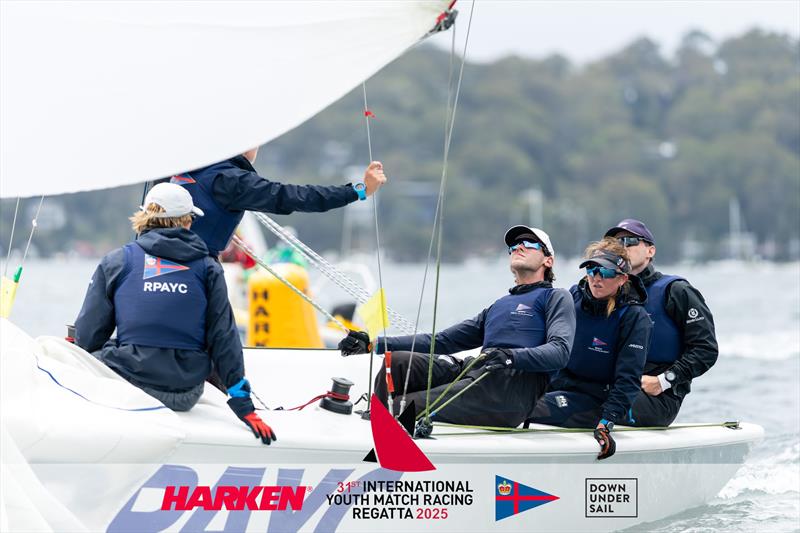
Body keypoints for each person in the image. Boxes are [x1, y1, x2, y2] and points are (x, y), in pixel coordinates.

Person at [74, 183, 276, 445]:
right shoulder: (208, 267)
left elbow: (88, 335)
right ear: (187, 221)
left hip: (128, 382)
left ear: (144, 217)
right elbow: (224, 337)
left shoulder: (117, 261)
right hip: (185, 393)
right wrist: (244, 406)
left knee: (79, 351)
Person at [340, 225, 575, 428]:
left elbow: (560, 352)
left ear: (548, 260)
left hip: (507, 393)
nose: (518, 248)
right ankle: (377, 435)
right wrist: (373, 344)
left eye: (529, 243)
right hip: (477, 374)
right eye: (513, 246)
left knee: (401, 405)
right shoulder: (499, 305)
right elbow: (442, 341)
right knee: (398, 362)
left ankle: (388, 427)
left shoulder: (555, 297)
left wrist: (510, 357)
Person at [531, 239, 651, 460]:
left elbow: (628, 379)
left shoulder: (634, 317)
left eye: (604, 271)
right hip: (557, 385)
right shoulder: (571, 298)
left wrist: (607, 422)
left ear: (623, 278)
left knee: (528, 408)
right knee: (506, 397)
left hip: (595, 399)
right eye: (591, 269)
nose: (596, 277)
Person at [168, 147, 387, 256]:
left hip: (149, 261)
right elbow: (291, 197)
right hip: (194, 267)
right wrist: (359, 191)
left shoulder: (178, 169)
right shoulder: (231, 180)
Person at [604, 218, 718, 427]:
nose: (622, 247)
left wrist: (664, 380)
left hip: (658, 397)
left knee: (596, 402)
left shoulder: (676, 291)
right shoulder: (605, 291)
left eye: (629, 241)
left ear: (650, 251)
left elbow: (706, 349)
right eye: (616, 244)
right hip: (611, 385)